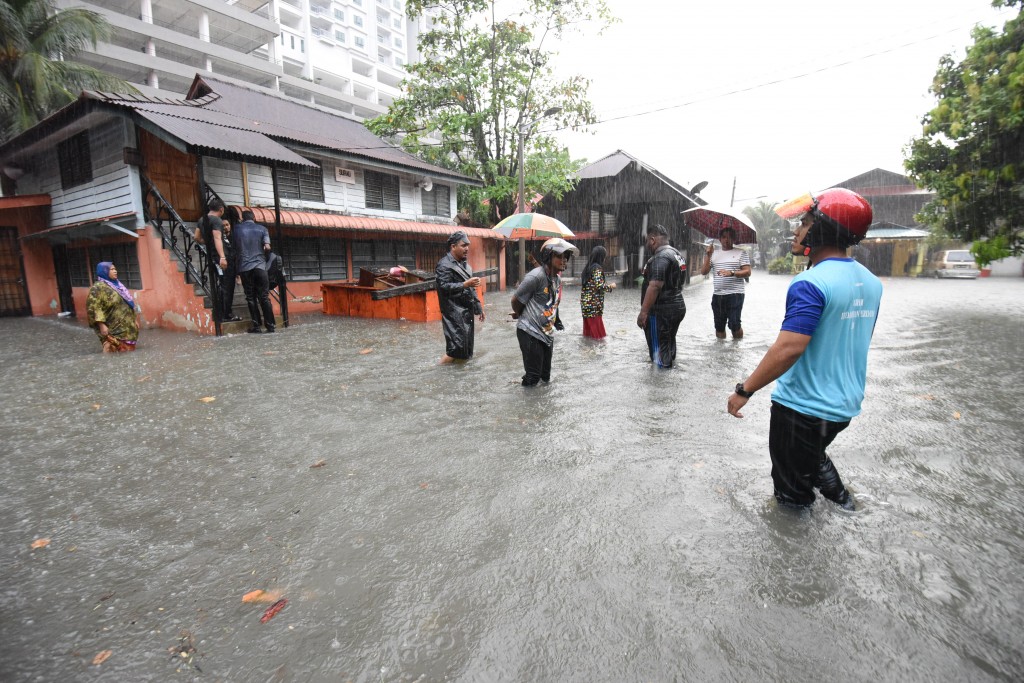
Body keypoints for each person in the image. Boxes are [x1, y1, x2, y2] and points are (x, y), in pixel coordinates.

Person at [727, 188, 882, 510]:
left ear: (824, 229)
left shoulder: (810, 282)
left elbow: (788, 349)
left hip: (802, 408)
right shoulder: (871, 281)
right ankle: (845, 504)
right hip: (843, 406)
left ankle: (792, 551)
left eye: (806, 223)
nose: (797, 231)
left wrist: (745, 390)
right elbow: (855, 339)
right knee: (812, 455)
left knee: (790, 497)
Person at [511, 237, 576, 386]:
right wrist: (521, 314)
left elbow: (551, 304)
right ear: (548, 257)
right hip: (529, 332)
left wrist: (557, 321)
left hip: (547, 334)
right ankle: (527, 406)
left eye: (566, 256)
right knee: (533, 378)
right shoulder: (535, 277)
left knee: (545, 378)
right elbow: (515, 300)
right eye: (559, 256)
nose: (564, 260)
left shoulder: (557, 280)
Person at [636, 224, 686, 368]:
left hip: (661, 312)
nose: (647, 245)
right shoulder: (677, 254)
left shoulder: (660, 257)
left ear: (652, 240)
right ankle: (670, 373)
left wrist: (643, 313)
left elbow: (655, 286)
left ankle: (660, 383)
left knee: (658, 350)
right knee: (668, 342)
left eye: (647, 241)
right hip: (677, 307)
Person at [435, 230, 485, 363]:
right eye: (463, 245)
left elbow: (472, 288)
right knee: (455, 349)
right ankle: (437, 370)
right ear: (453, 246)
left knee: (467, 349)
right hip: (453, 312)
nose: (467, 249)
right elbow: (444, 287)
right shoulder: (444, 265)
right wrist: (464, 284)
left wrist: (479, 307)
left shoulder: (465, 265)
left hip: (466, 312)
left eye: (468, 245)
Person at [701, 226, 752, 339]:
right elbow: (704, 272)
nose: (726, 240)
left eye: (729, 237)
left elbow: (748, 272)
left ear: (734, 239)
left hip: (735, 294)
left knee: (734, 325)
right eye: (724, 237)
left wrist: (732, 272)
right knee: (719, 327)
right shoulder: (713, 254)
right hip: (718, 295)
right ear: (719, 239)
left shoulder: (741, 253)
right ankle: (721, 352)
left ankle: (736, 347)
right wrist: (708, 255)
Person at [232, 209, 275, 333]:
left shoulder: (237, 229)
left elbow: (234, 250)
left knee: (251, 297)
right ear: (254, 218)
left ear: (242, 219)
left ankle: (257, 326)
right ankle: (270, 325)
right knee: (264, 297)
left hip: (245, 268)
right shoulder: (262, 229)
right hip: (260, 267)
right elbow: (267, 247)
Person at [86, 262, 140, 353]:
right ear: (104, 271)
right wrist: (101, 325)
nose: (115, 271)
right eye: (111, 269)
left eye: (115, 269)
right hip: (112, 329)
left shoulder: (118, 285)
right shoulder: (98, 288)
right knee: (113, 351)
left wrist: (133, 319)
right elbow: (94, 308)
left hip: (127, 329)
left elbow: (127, 303)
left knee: (128, 353)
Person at [580, 245, 616, 339]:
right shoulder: (597, 268)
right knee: (599, 337)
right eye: (604, 256)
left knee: (588, 335)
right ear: (601, 256)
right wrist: (610, 287)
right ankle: (599, 353)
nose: (605, 258)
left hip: (586, 305)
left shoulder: (588, 268)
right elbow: (599, 286)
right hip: (594, 306)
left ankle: (588, 351)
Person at [220, 218, 242, 322]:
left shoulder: (234, 237)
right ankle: (226, 313)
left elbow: (237, 253)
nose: (225, 227)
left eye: (227, 225)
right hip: (224, 267)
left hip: (233, 267)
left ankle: (227, 312)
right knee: (226, 291)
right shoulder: (219, 238)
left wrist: (238, 273)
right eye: (223, 225)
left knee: (229, 292)